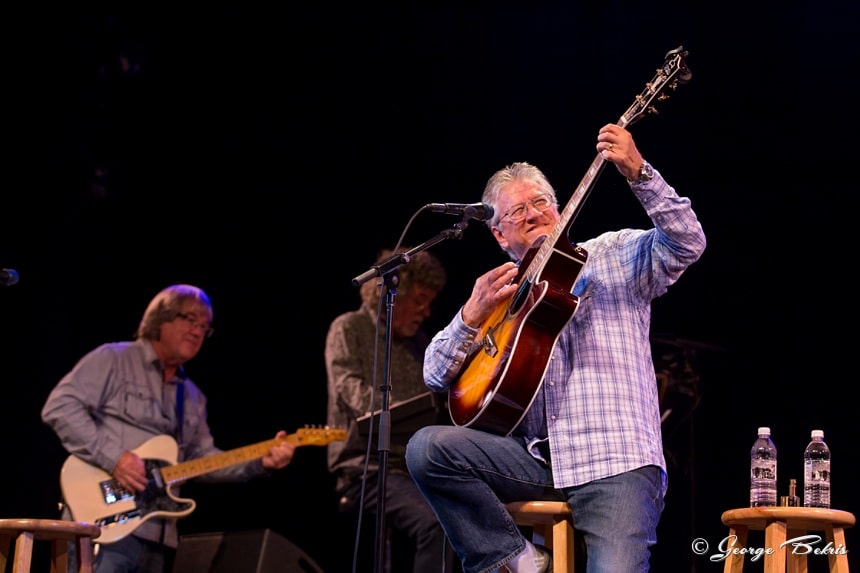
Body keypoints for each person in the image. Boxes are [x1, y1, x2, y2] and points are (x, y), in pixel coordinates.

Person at [405, 123, 707, 573]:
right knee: (428, 449)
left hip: (616, 461)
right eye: (516, 211)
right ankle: (515, 560)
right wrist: (470, 315)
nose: (532, 214)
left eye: (541, 202)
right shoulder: (499, 294)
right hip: (538, 463)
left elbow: (688, 242)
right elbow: (434, 373)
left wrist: (639, 172)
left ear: (559, 209)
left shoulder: (612, 254)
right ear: (499, 235)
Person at [41, 283, 296, 573]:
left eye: (205, 326)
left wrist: (260, 461)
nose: (198, 331)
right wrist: (115, 458)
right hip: (101, 527)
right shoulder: (114, 359)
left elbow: (203, 461)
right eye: (190, 319)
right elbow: (59, 408)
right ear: (160, 319)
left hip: (158, 539)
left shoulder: (193, 397)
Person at [325, 248, 454, 573]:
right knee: (435, 522)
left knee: (473, 512)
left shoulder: (419, 343)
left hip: (414, 467)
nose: (426, 311)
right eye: (420, 300)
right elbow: (349, 388)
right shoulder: (349, 328)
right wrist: (401, 413)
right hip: (366, 469)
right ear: (391, 295)